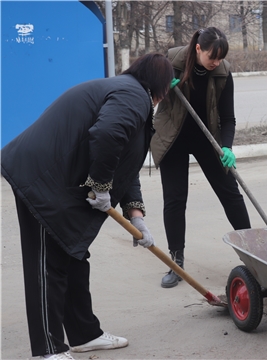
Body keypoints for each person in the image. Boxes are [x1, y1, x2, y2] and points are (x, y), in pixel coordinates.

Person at [1, 53, 174, 360]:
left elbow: (125, 161)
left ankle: (85, 334)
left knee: (74, 253)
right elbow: (106, 134)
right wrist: (100, 185)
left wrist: (136, 215)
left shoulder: (130, 95)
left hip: (59, 178)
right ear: (159, 85)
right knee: (48, 264)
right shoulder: (133, 95)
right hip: (41, 177)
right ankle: (48, 349)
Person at [151, 27, 251, 288]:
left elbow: (228, 118)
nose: (215, 63)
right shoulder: (170, 63)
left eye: (220, 58)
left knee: (230, 193)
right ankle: (176, 262)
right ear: (198, 49)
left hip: (208, 138)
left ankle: (254, 256)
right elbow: (146, 93)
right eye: (211, 57)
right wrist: (162, 87)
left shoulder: (223, 73)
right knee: (174, 199)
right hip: (172, 137)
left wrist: (227, 147)